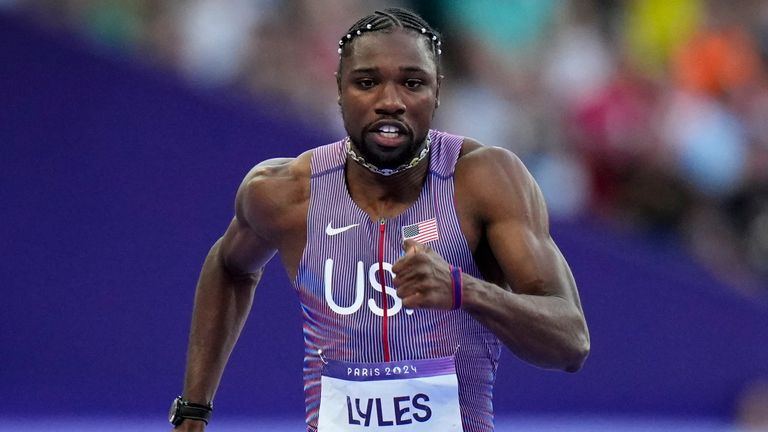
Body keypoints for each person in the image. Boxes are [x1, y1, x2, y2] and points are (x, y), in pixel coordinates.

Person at [170, 7, 590, 432]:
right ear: (339, 89)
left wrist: (466, 290)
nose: (390, 102)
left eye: (412, 83)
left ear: (437, 91)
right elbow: (229, 267)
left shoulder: (486, 180)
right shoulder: (285, 192)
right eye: (367, 82)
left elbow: (571, 342)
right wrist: (193, 409)